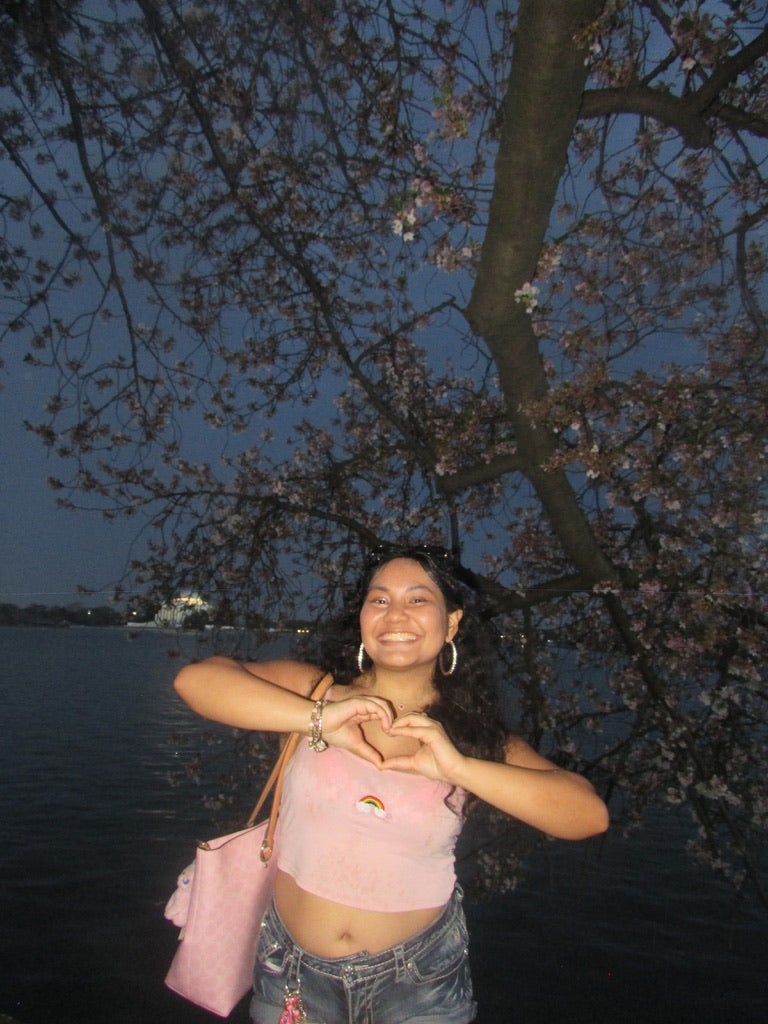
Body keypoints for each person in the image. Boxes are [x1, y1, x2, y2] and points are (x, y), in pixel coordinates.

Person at [174, 544, 609, 1024]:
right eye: (378, 600)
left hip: (417, 985)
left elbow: (586, 816)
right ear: (362, 619)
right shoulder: (315, 691)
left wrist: (457, 768)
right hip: (292, 973)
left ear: (453, 623)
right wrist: (320, 719)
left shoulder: (474, 739)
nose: (394, 614)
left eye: (418, 599)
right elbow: (197, 681)